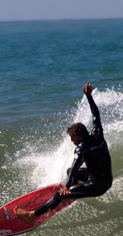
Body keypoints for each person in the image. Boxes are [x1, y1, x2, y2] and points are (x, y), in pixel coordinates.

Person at [15, 82, 112, 222]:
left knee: (61, 193)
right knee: (69, 171)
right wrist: (89, 97)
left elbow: (75, 166)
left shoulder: (81, 148)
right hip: (106, 180)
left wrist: (66, 187)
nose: (72, 140)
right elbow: (96, 114)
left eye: (72, 138)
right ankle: (74, 190)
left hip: (98, 187)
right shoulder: (97, 134)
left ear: (79, 136)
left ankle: (32, 215)